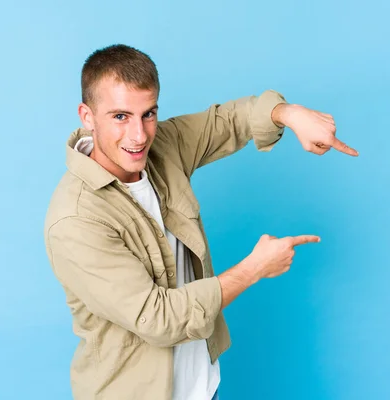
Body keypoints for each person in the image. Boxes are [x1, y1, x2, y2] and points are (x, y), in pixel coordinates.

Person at [43, 44, 358, 400]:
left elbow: (227, 122)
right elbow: (159, 318)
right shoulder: (76, 219)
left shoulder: (163, 146)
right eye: (120, 117)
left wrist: (289, 113)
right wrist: (255, 268)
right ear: (87, 116)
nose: (139, 136)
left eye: (148, 114)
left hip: (203, 389)